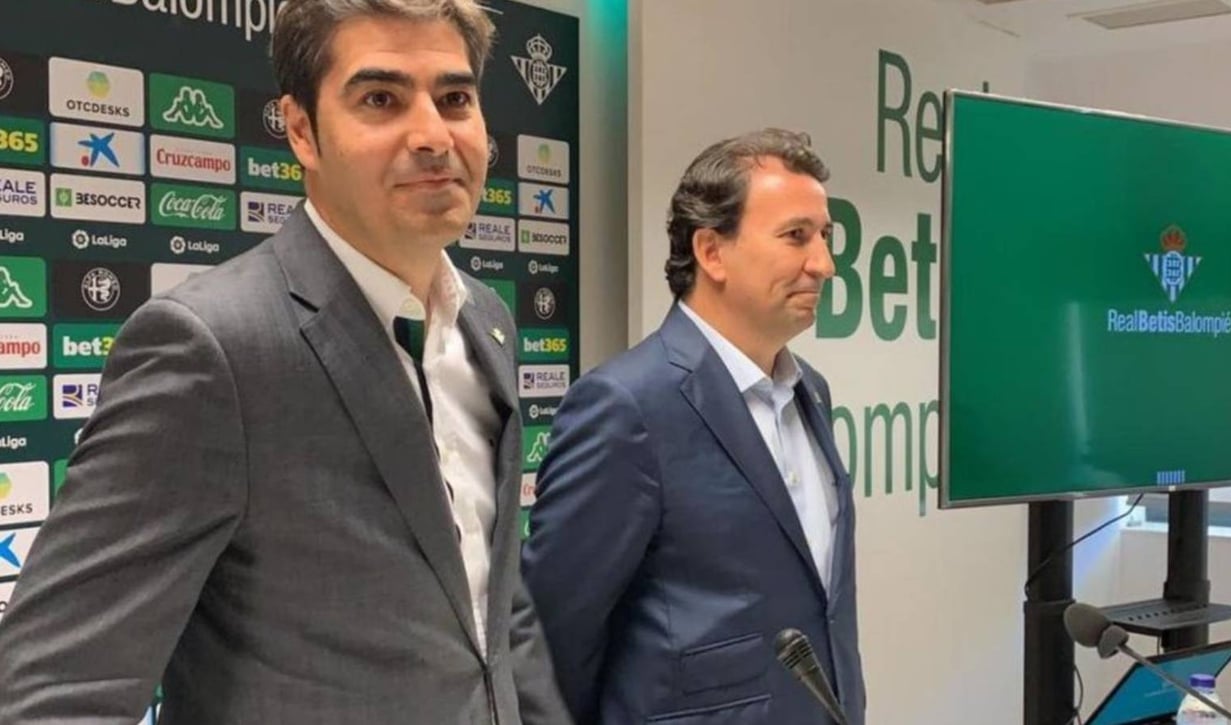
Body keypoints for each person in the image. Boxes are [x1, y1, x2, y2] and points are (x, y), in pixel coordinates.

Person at [0, 2, 569, 723]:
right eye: (381, 99)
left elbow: (493, 604)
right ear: (301, 130)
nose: (433, 135)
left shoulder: (487, 321)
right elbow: (53, 688)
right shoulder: (213, 348)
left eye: (454, 98)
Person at [522, 128, 866, 725]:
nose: (824, 264)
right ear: (711, 252)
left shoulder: (810, 391)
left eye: (825, 237)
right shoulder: (627, 406)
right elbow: (553, 638)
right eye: (796, 236)